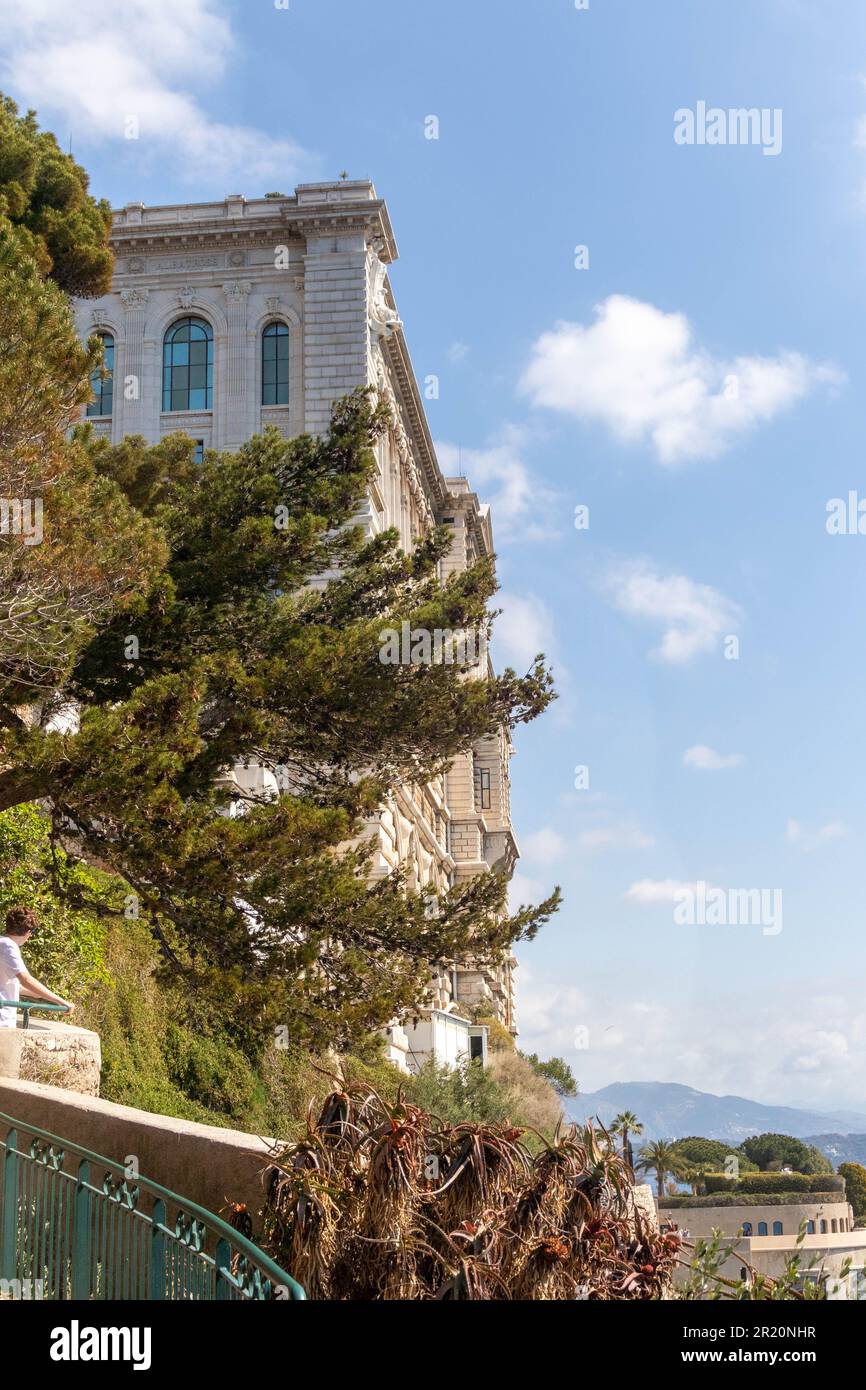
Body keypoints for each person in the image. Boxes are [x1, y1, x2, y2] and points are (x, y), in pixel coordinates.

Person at [0, 906, 74, 1029]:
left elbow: (7, 985)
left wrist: (38, 994)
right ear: (28, 932)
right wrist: (61, 1001)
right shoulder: (9, 946)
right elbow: (26, 979)